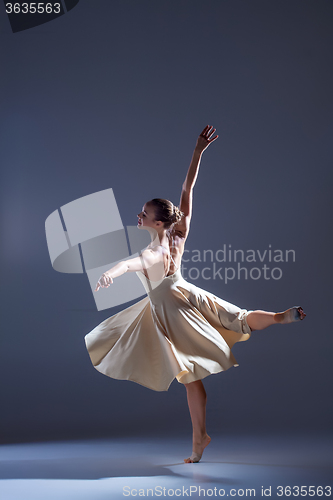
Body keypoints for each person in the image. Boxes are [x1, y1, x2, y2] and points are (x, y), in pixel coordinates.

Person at [86, 125, 306, 464]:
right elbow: (188, 186)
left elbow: (131, 264)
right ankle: (278, 316)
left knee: (189, 376)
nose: (139, 215)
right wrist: (198, 151)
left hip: (172, 313)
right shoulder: (180, 229)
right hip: (189, 294)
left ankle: (199, 439)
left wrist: (108, 274)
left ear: (158, 224)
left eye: (143, 214)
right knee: (238, 319)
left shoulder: (154, 253)